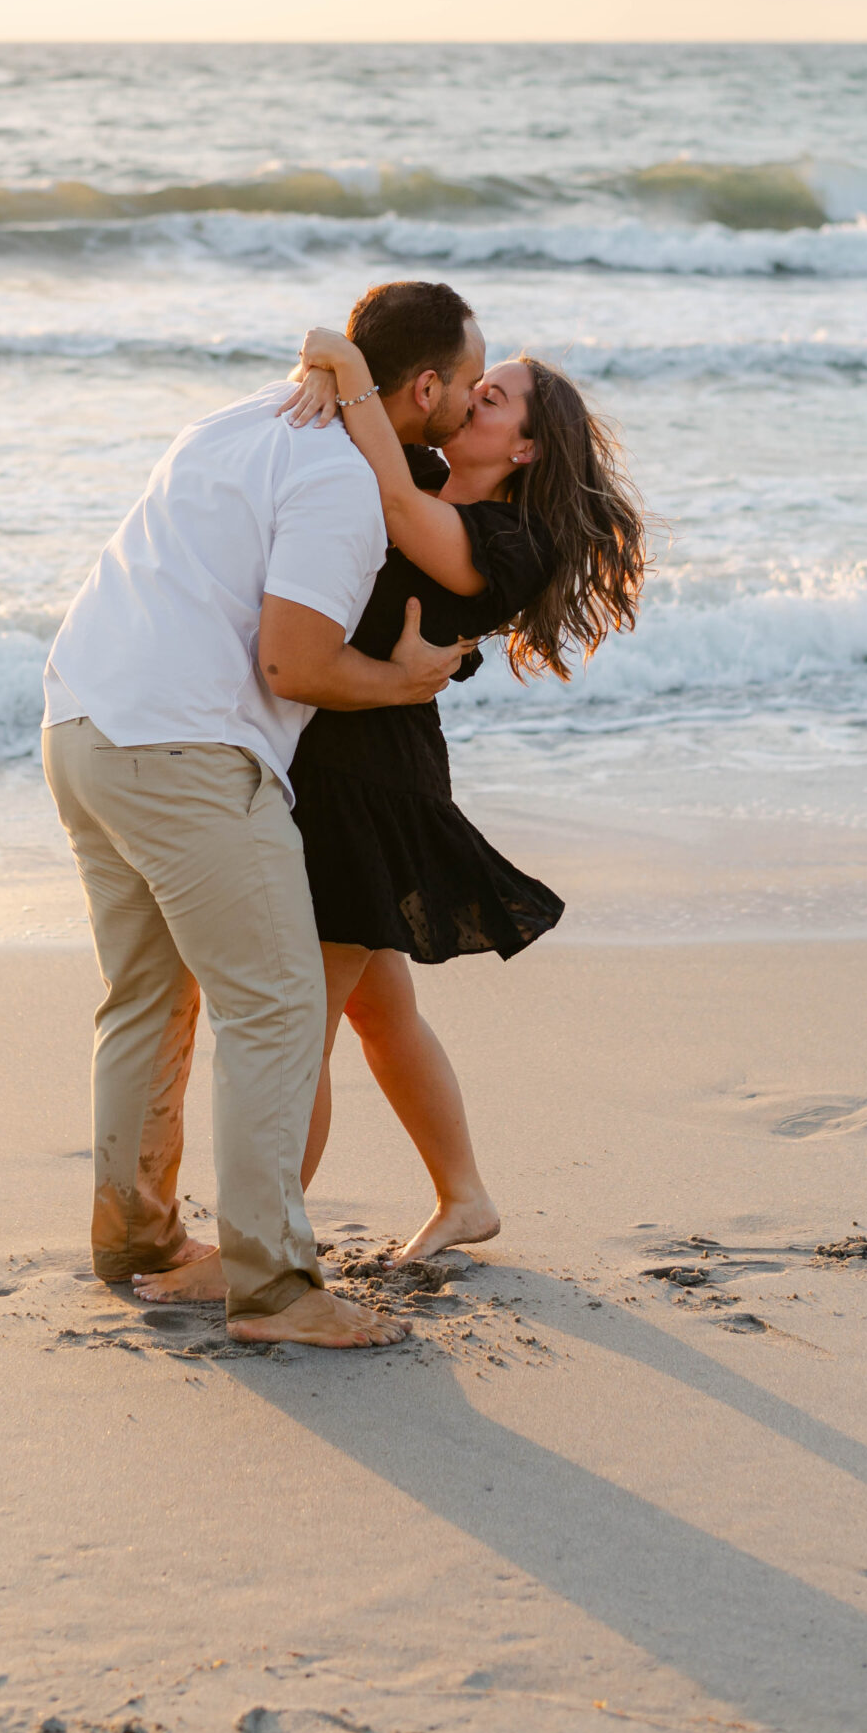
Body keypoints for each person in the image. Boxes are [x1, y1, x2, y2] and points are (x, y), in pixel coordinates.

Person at [39, 281, 486, 1348]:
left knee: (148, 998)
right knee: (276, 1006)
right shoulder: (336, 475)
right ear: (420, 386)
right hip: (185, 751)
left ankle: (138, 1241)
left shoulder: (234, 422)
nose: (471, 406)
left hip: (80, 723)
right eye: (468, 386)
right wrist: (407, 680)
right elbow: (291, 660)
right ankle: (276, 1290)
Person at [278, 301, 646, 1264]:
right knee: (377, 1010)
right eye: (479, 386)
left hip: (372, 781)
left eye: (495, 399)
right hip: (343, 755)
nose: (474, 398)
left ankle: (267, 1245)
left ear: (524, 451)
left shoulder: (503, 543)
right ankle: (465, 1196)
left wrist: (349, 368)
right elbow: (382, 455)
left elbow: (400, 507)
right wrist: (338, 373)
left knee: (300, 1027)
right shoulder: (433, 470)